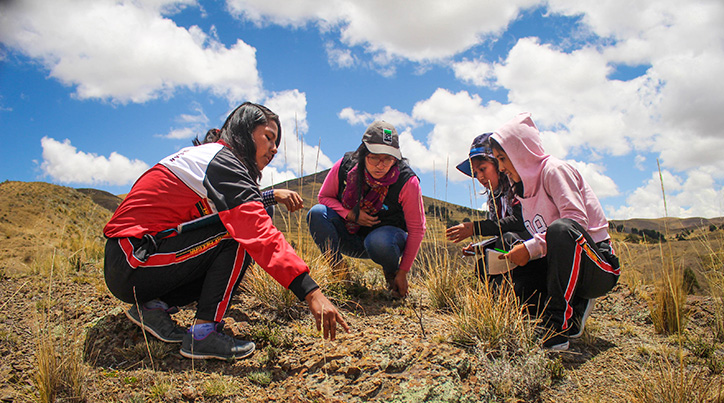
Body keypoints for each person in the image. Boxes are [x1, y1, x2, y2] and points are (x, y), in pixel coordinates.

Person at [103, 102, 349, 361]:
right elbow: (256, 230)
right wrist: (311, 292)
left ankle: (153, 306)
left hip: (133, 260)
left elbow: (233, 204)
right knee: (238, 234)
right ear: (244, 131)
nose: (275, 149)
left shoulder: (209, 159)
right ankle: (203, 335)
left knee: (241, 222)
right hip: (133, 261)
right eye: (269, 137)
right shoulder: (223, 161)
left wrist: (270, 195)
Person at [468, 112, 620, 351]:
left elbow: (574, 223)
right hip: (554, 265)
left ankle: (557, 326)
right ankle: (566, 303)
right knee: (499, 279)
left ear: (520, 152)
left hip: (596, 265)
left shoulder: (554, 170)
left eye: (502, 158)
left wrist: (529, 249)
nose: (501, 167)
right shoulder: (522, 188)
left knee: (561, 229)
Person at [306, 120, 426, 298]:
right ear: (363, 153)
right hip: (350, 236)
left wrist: (403, 272)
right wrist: (351, 215)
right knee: (316, 213)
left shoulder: (407, 181)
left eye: (388, 158)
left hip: (386, 243)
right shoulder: (346, 166)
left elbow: (417, 229)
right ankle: (339, 272)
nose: (381, 165)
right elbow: (324, 197)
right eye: (374, 157)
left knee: (379, 241)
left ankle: (390, 274)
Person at [446, 132, 530, 285]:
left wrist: (475, 228)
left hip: (532, 250)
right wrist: (482, 246)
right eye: (475, 173)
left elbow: (520, 222)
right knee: (482, 266)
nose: (480, 177)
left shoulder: (520, 185)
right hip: (512, 246)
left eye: (483, 169)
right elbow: (500, 229)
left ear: (498, 163)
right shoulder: (494, 196)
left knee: (508, 240)